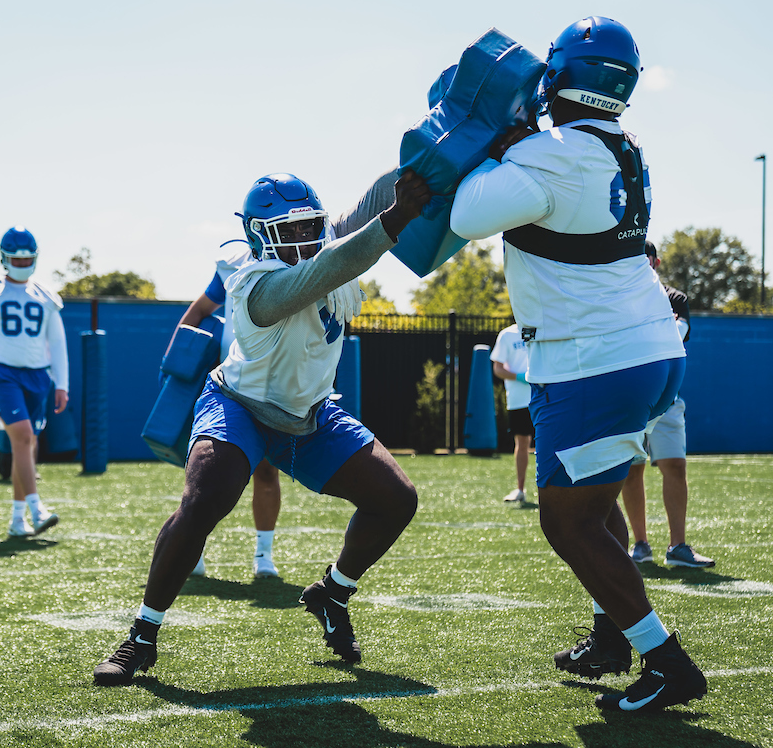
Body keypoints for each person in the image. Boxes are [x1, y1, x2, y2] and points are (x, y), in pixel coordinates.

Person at [449, 16, 707, 712]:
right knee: (593, 504)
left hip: (594, 358)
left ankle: (666, 661)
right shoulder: (620, 144)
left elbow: (469, 213)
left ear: (561, 73)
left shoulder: (557, 152)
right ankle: (610, 637)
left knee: (566, 521)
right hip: (643, 349)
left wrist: (492, 150)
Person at [94, 169, 431, 686]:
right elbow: (335, 265)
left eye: (309, 226)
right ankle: (142, 634)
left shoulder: (322, 241)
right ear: (258, 234)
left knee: (396, 499)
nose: (303, 238)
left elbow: (370, 200)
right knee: (208, 496)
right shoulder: (256, 284)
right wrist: (396, 220)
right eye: (288, 230)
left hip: (310, 413)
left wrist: (438, 154)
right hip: (241, 403)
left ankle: (332, 594)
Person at [166, 243, 284, 578]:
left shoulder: (297, 260)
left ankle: (264, 556)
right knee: (208, 473)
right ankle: (194, 547)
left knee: (266, 470)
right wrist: (177, 361)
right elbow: (199, 310)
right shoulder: (232, 265)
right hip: (227, 383)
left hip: (273, 382)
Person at [0, 226, 68, 540]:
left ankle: (17, 521)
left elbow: (57, 343)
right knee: (21, 437)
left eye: (27, 260)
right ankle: (37, 509)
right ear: (4, 259)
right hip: (0, 373)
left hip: (37, 375)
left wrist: (62, 384)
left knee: (28, 444)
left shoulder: (46, 296)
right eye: (16, 260)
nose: (22, 265)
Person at [624, 241, 715, 568]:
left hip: (669, 399)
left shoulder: (675, 298)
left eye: (645, 256)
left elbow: (676, 335)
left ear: (656, 261)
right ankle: (640, 544)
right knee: (631, 471)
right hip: (633, 401)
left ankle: (678, 546)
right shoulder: (620, 299)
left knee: (675, 466)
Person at [491, 323, 533, 503]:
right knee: (522, 442)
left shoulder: (544, 328)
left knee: (551, 443)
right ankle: (520, 489)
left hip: (545, 397)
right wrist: (519, 377)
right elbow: (498, 368)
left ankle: (554, 490)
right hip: (518, 400)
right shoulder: (507, 335)